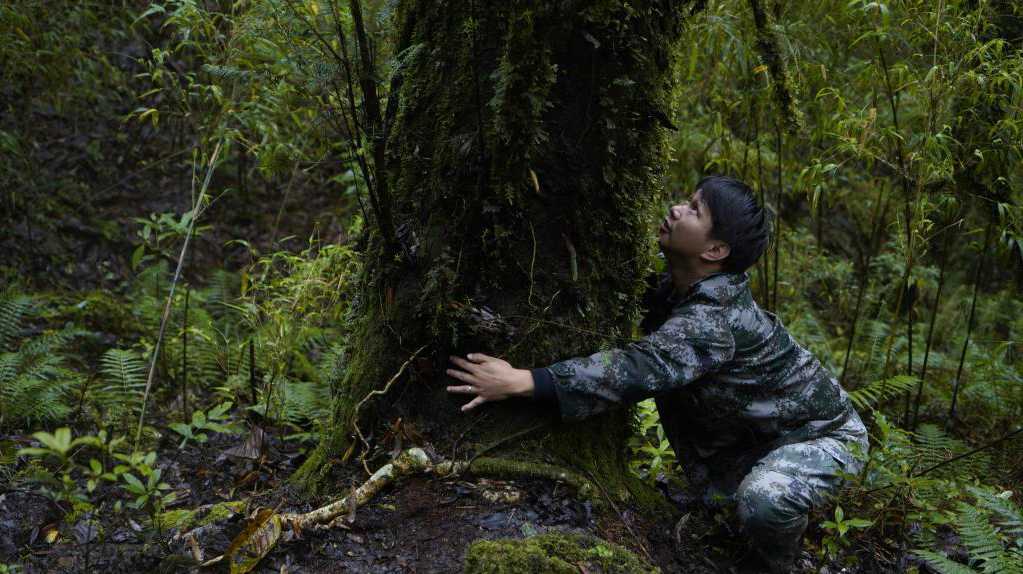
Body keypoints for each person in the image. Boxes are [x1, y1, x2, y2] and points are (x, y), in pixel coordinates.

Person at [445, 175, 868, 573]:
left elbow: (637, 368)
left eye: (695, 210)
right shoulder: (677, 289)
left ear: (715, 250)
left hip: (827, 438)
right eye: (687, 200)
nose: (677, 208)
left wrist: (525, 381)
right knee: (731, 501)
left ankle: (775, 566)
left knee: (764, 501)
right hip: (764, 439)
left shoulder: (714, 320)